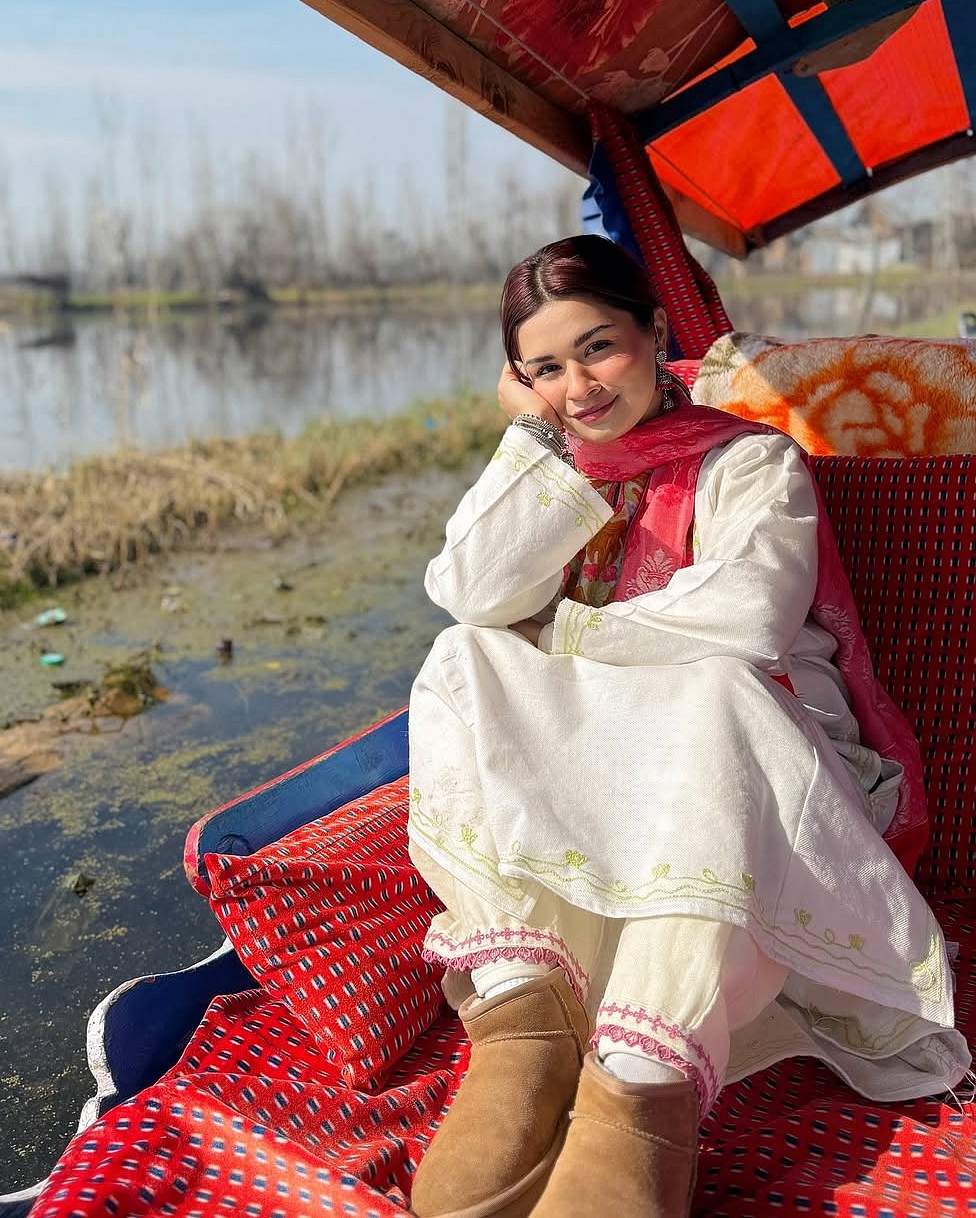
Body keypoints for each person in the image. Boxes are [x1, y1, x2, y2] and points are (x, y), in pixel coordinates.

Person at [405, 235, 969, 1218]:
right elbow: (468, 592)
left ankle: (639, 1079)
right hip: (619, 769)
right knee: (465, 657)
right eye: (546, 366)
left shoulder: (752, 462)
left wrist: (569, 626)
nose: (577, 385)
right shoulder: (560, 468)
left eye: (598, 348)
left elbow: (747, 614)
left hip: (757, 770)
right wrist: (533, 440)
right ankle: (525, 1018)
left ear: (656, 333)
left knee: (711, 686)